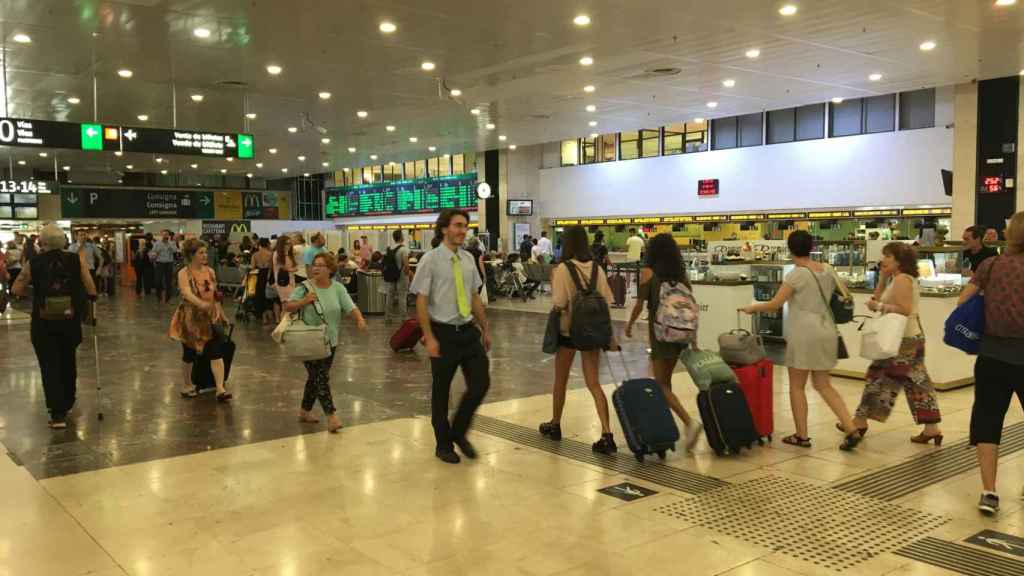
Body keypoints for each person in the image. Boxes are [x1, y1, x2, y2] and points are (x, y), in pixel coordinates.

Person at [740, 230, 862, 451]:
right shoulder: (827, 269)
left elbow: (775, 304)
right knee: (824, 385)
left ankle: (802, 435)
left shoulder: (796, 274)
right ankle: (851, 428)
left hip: (803, 333)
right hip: (827, 330)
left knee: (797, 386)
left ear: (790, 248)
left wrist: (753, 307)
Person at [410, 209, 492, 464]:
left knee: (481, 383)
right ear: (444, 228)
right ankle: (443, 443)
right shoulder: (430, 260)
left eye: (465, 226)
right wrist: (429, 336)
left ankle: (458, 430)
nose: (461, 230)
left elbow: (475, 297)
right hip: (442, 333)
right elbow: (421, 301)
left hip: (468, 331)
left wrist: (486, 328)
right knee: (441, 392)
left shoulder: (467, 259)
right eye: (457, 225)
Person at [958, 211, 1024, 515]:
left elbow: (963, 302)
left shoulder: (990, 264)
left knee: (988, 421)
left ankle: (989, 492)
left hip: (992, 355)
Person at [847, 242, 942, 443]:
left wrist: (879, 305)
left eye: (888, 256)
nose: (883, 260)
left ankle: (859, 420)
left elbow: (904, 309)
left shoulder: (903, 280)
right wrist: (881, 280)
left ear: (899, 260)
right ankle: (932, 427)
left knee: (877, 377)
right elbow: (877, 301)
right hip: (910, 337)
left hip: (902, 340)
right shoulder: (897, 279)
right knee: (917, 383)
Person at [539, 225, 621, 453]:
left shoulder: (563, 269)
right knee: (594, 383)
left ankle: (555, 424)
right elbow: (607, 301)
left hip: (568, 332)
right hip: (593, 332)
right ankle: (607, 433)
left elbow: (559, 302)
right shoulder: (597, 268)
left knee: (561, 380)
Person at [624, 233, 704, 452]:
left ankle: (689, 423)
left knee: (660, 385)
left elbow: (640, 304)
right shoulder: (681, 276)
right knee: (665, 383)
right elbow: (690, 307)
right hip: (680, 336)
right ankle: (667, 430)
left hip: (661, 334)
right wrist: (694, 340)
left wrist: (629, 324)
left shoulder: (649, 273)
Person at [12, 223, 97, 429]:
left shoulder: (35, 262)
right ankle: (68, 400)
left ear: (43, 242)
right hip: (70, 320)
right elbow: (90, 286)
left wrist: (37, 294)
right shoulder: (75, 259)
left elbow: (18, 287)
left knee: (49, 364)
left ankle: (57, 413)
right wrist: (90, 303)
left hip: (44, 323)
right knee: (68, 359)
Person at [284, 253, 367, 433]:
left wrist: (359, 319)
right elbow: (288, 306)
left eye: (321, 265)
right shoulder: (304, 287)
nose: (316, 268)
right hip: (308, 340)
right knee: (322, 378)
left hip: (330, 340)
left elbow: (350, 306)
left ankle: (304, 411)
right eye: (314, 265)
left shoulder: (337, 288)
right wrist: (304, 301)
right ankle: (331, 416)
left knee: (316, 378)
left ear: (330, 269)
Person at [170, 239, 231, 402]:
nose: (205, 255)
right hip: (190, 318)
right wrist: (202, 304)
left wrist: (222, 314)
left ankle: (220, 389)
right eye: (201, 253)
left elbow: (215, 295)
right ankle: (187, 385)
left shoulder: (210, 271)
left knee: (216, 351)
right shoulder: (183, 273)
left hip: (210, 317)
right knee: (189, 353)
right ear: (191, 255)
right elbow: (186, 293)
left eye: (205, 252)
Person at [383, 230, 411, 324]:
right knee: (402, 296)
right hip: (401, 275)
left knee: (390, 296)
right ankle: (404, 317)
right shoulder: (404, 249)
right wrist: (407, 275)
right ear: (401, 237)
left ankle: (387, 317)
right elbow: (406, 265)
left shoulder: (390, 248)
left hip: (391, 274)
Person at [152, 231, 179, 304]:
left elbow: (175, 250)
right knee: (158, 281)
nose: (165, 236)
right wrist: (156, 252)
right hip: (160, 263)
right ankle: (159, 297)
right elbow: (152, 253)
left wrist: (169, 245)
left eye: (166, 235)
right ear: (162, 235)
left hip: (169, 263)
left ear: (169, 236)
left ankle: (168, 299)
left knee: (168, 282)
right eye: (164, 235)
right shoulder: (157, 243)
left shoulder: (172, 243)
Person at [253, 238, 274, 324]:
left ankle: (263, 316)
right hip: (268, 274)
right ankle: (271, 315)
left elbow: (253, 267)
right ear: (268, 244)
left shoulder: (255, 255)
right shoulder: (271, 254)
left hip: (259, 274)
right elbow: (272, 267)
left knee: (260, 294)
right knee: (269, 295)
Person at [273, 235, 298, 303]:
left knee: (289, 303)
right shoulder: (277, 254)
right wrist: (292, 269)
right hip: (282, 281)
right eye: (287, 243)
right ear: (282, 244)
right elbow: (284, 268)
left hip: (291, 280)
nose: (289, 245)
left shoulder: (289, 254)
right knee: (287, 304)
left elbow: (295, 267)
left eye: (290, 243)